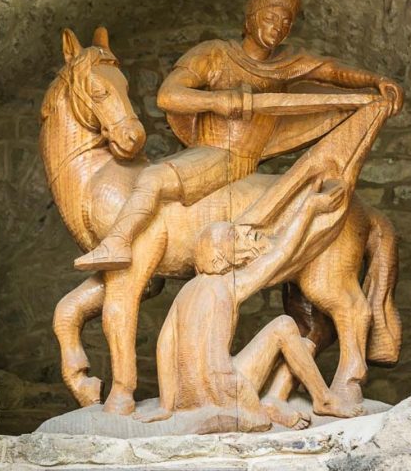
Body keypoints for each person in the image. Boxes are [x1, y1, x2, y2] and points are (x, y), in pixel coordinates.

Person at [74, 0, 403, 271]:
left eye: (286, 22)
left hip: (239, 159)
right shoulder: (215, 54)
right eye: (271, 18)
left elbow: (330, 70)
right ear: (251, 19)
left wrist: (376, 80)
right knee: (154, 177)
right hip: (213, 151)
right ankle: (121, 245)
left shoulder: (284, 66)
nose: (278, 28)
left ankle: (118, 241)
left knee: (153, 178)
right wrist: (221, 101)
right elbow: (169, 95)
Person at [132, 179, 363, 431]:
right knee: (285, 325)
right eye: (233, 236)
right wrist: (309, 208)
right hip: (226, 390)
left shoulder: (186, 292)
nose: (242, 235)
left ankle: (273, 401)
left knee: (304, 346)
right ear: (219, 255)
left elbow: (164, 345)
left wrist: (166, 406)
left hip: (191, 397)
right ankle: (324, 399)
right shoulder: (229, 284)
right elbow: (281, 253)